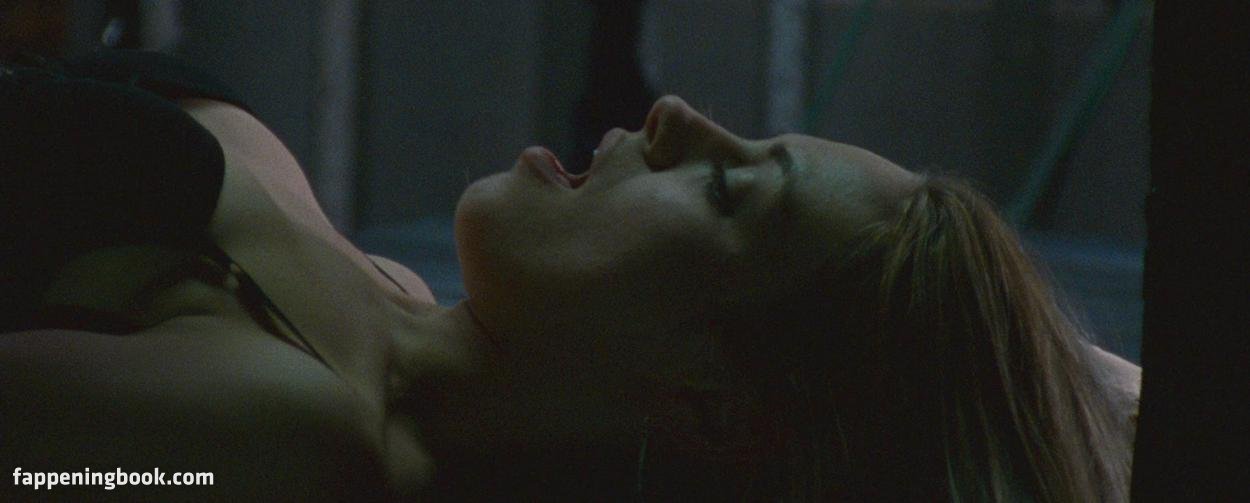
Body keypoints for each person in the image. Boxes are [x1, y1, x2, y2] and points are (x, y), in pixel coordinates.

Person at [0, 51, 1138, 501]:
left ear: (710, 403)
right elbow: (1097, 391)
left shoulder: (292, 427)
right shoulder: (393, 305)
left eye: (725, 189)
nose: (675, 114)